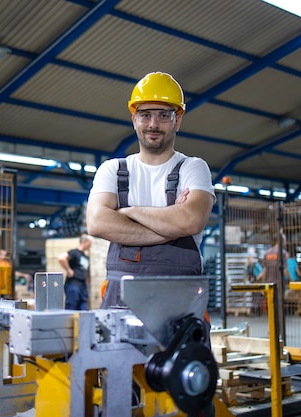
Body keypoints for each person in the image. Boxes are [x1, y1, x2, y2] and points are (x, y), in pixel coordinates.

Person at [86, 71, 215, 417]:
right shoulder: (113, 170)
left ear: (178, 119)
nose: (153, 124)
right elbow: (98, 222)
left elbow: (191, 221)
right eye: (145, 114)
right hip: (119, 309)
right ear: (134, 118)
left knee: (190, 393)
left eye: (163, 114)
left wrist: (127, 212)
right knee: (118, 399)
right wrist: (169, 220)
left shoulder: (193, 168)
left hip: (181, 314)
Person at [257, 233, 290, 337]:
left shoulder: (268, 253)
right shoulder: (282, 253)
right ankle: (280, 331)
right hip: (279, 284)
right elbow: (285, 270)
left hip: (269, 283)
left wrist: (262, 283)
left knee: (271, 307)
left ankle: (272, 329)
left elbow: (265, 270)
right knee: (280, 307)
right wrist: (291, 280)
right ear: (281, 240)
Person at [57, 234, 93, 310]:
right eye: (90, 243)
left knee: (84, 309)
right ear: (85, 242)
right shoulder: (74, 253)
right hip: (73, 284)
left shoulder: (85, 257)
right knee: (71, 308)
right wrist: (68, 270)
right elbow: (61, 258)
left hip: (82, 286)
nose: (91, 245)